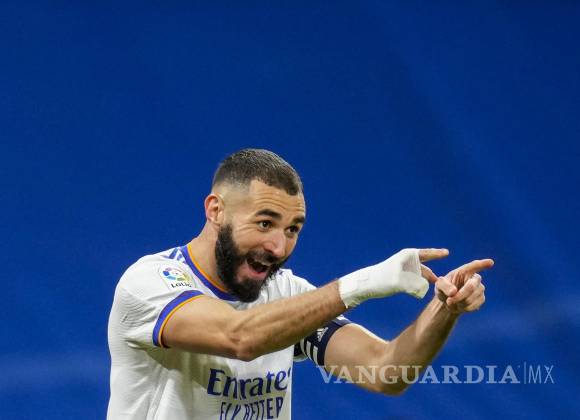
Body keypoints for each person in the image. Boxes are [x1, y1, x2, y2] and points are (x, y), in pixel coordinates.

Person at [107, 149, 493, 420]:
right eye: (265, 223)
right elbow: (238, 336)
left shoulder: (286, 294)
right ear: (216, 210)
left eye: (292, 229)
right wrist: (362, 283)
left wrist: (445, 308)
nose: (279, 247)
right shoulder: (151, 283)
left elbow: (384, 371)